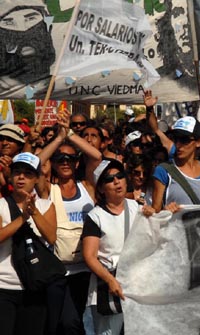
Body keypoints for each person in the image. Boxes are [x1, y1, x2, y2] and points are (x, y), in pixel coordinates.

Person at [36, 108, 101, 335]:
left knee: (76, 323)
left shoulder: (88, 187)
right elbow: (36, 162)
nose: (65, 162)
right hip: (57, 269)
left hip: (85, 268)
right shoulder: (48, 190)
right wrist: (59, 138)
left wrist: (70, 134)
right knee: (58, 324)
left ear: (76, 163)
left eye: (70, 159)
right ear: (53, 163)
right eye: (59, 159)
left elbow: (96, 157)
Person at [82, 159, 155, 334]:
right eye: (109, 179)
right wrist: (110, 280)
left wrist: (155, 215)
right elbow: (90, 256)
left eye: (119, 176)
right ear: (101, 188)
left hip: (138, 285)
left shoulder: (139, 208)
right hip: (109, 289)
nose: (116, 182)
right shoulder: (95, 217)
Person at [0, 152, 56, 335]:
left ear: (37, 178)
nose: (21, 177)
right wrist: (22, 218)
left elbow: (51, 237)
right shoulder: (1, 205)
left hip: (35, 286)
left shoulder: (47, 206)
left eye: (28, 173)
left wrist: (33, 212)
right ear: (11, 176)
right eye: (17, 172)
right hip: (4, 286)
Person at [151, 116, 200, 213]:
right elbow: (155, 212)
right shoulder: (163, 171)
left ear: (198, 142)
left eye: (184, 140)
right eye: (176, 139)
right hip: (172, 227)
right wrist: (165, 211)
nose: (178, 145)